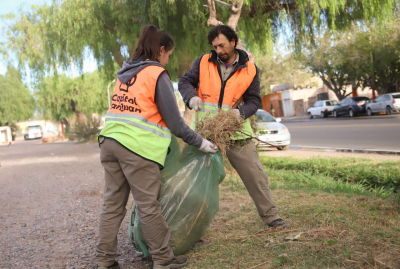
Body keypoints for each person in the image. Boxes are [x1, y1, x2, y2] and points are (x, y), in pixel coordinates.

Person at [95, 25, 217, 269]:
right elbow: (174, 123)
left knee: (111, 205)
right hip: (136, 148)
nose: (167, 60)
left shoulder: (125, 73)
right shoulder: (155, 73)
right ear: (161, 50)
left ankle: (104, 261)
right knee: (149, 205)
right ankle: (163, 259)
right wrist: (201, 142)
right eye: (168, 55)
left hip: (109, 142)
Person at [178, 25, 288, 229]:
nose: (218, 50)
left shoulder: (251, 69)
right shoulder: (203, 62)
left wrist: (242, 112)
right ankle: (189, 226)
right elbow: (184, 81)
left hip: (237, 132)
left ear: (233, 42)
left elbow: (254, 100)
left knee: (256, 176)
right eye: (215, 46)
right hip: (206, 133)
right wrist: (191, 97)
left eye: (221, 45)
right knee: (195, 179)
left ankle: (271, 216)